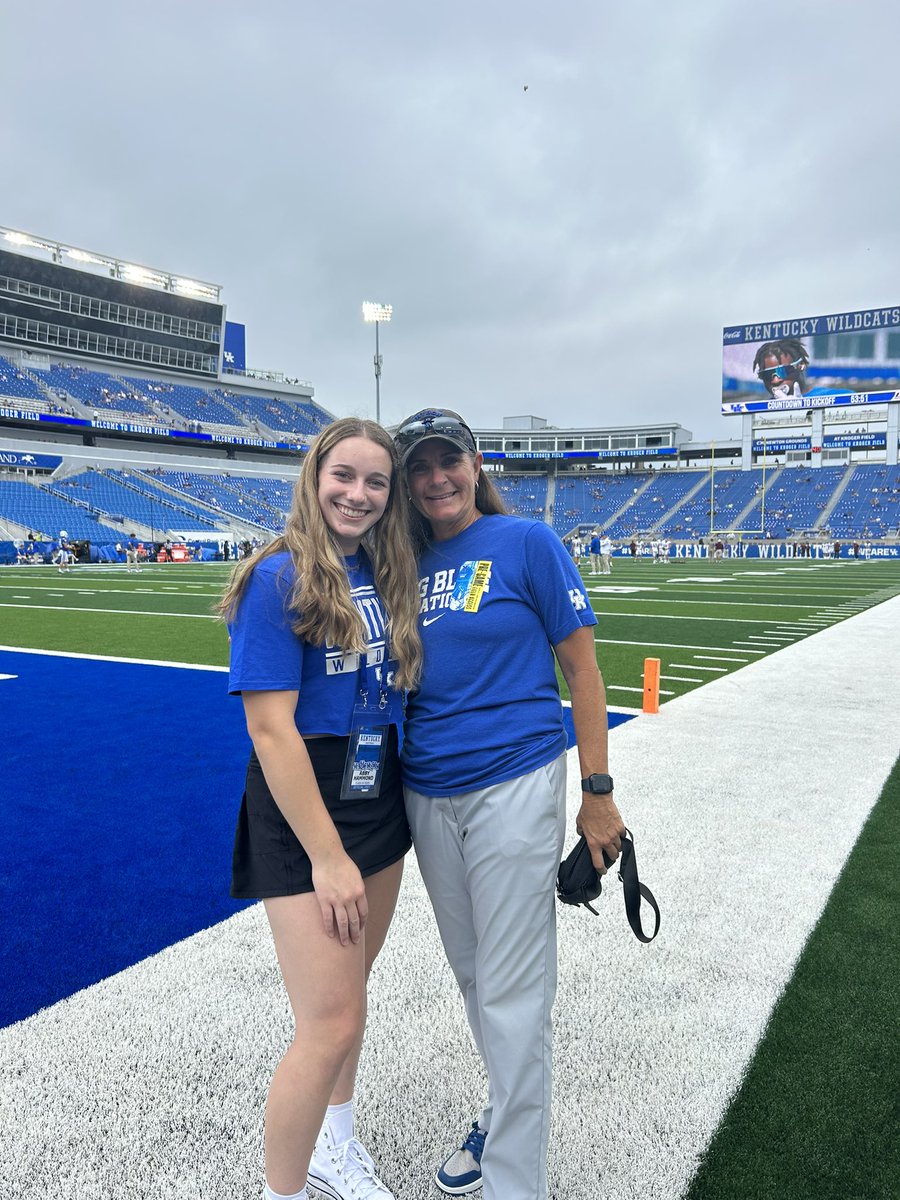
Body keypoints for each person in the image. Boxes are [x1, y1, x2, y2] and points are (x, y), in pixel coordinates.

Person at [392, 408, 625, 1200]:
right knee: (474, 978)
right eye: (419, 467)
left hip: (517, 781)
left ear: (476, 462)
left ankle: (514, 1185)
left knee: (517, 989)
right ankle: (500, 1110)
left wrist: (597, 794)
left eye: (446, 461)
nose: (435, 479)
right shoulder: (406, 561)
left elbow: (583, 672)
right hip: (427, 790)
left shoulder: (528, 541)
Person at [219, 418, 423, 1200]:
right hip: (307, 802)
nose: (359, 494)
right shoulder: (278, 575)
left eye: (376, 481)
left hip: (376, 791)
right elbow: (271, 730)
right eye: (345, 475)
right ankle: (283, 1191)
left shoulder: (380, 565)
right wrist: (327, 857)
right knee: (328, 1021)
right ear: (314, 474)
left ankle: (336, 1145)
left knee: (349, 997)